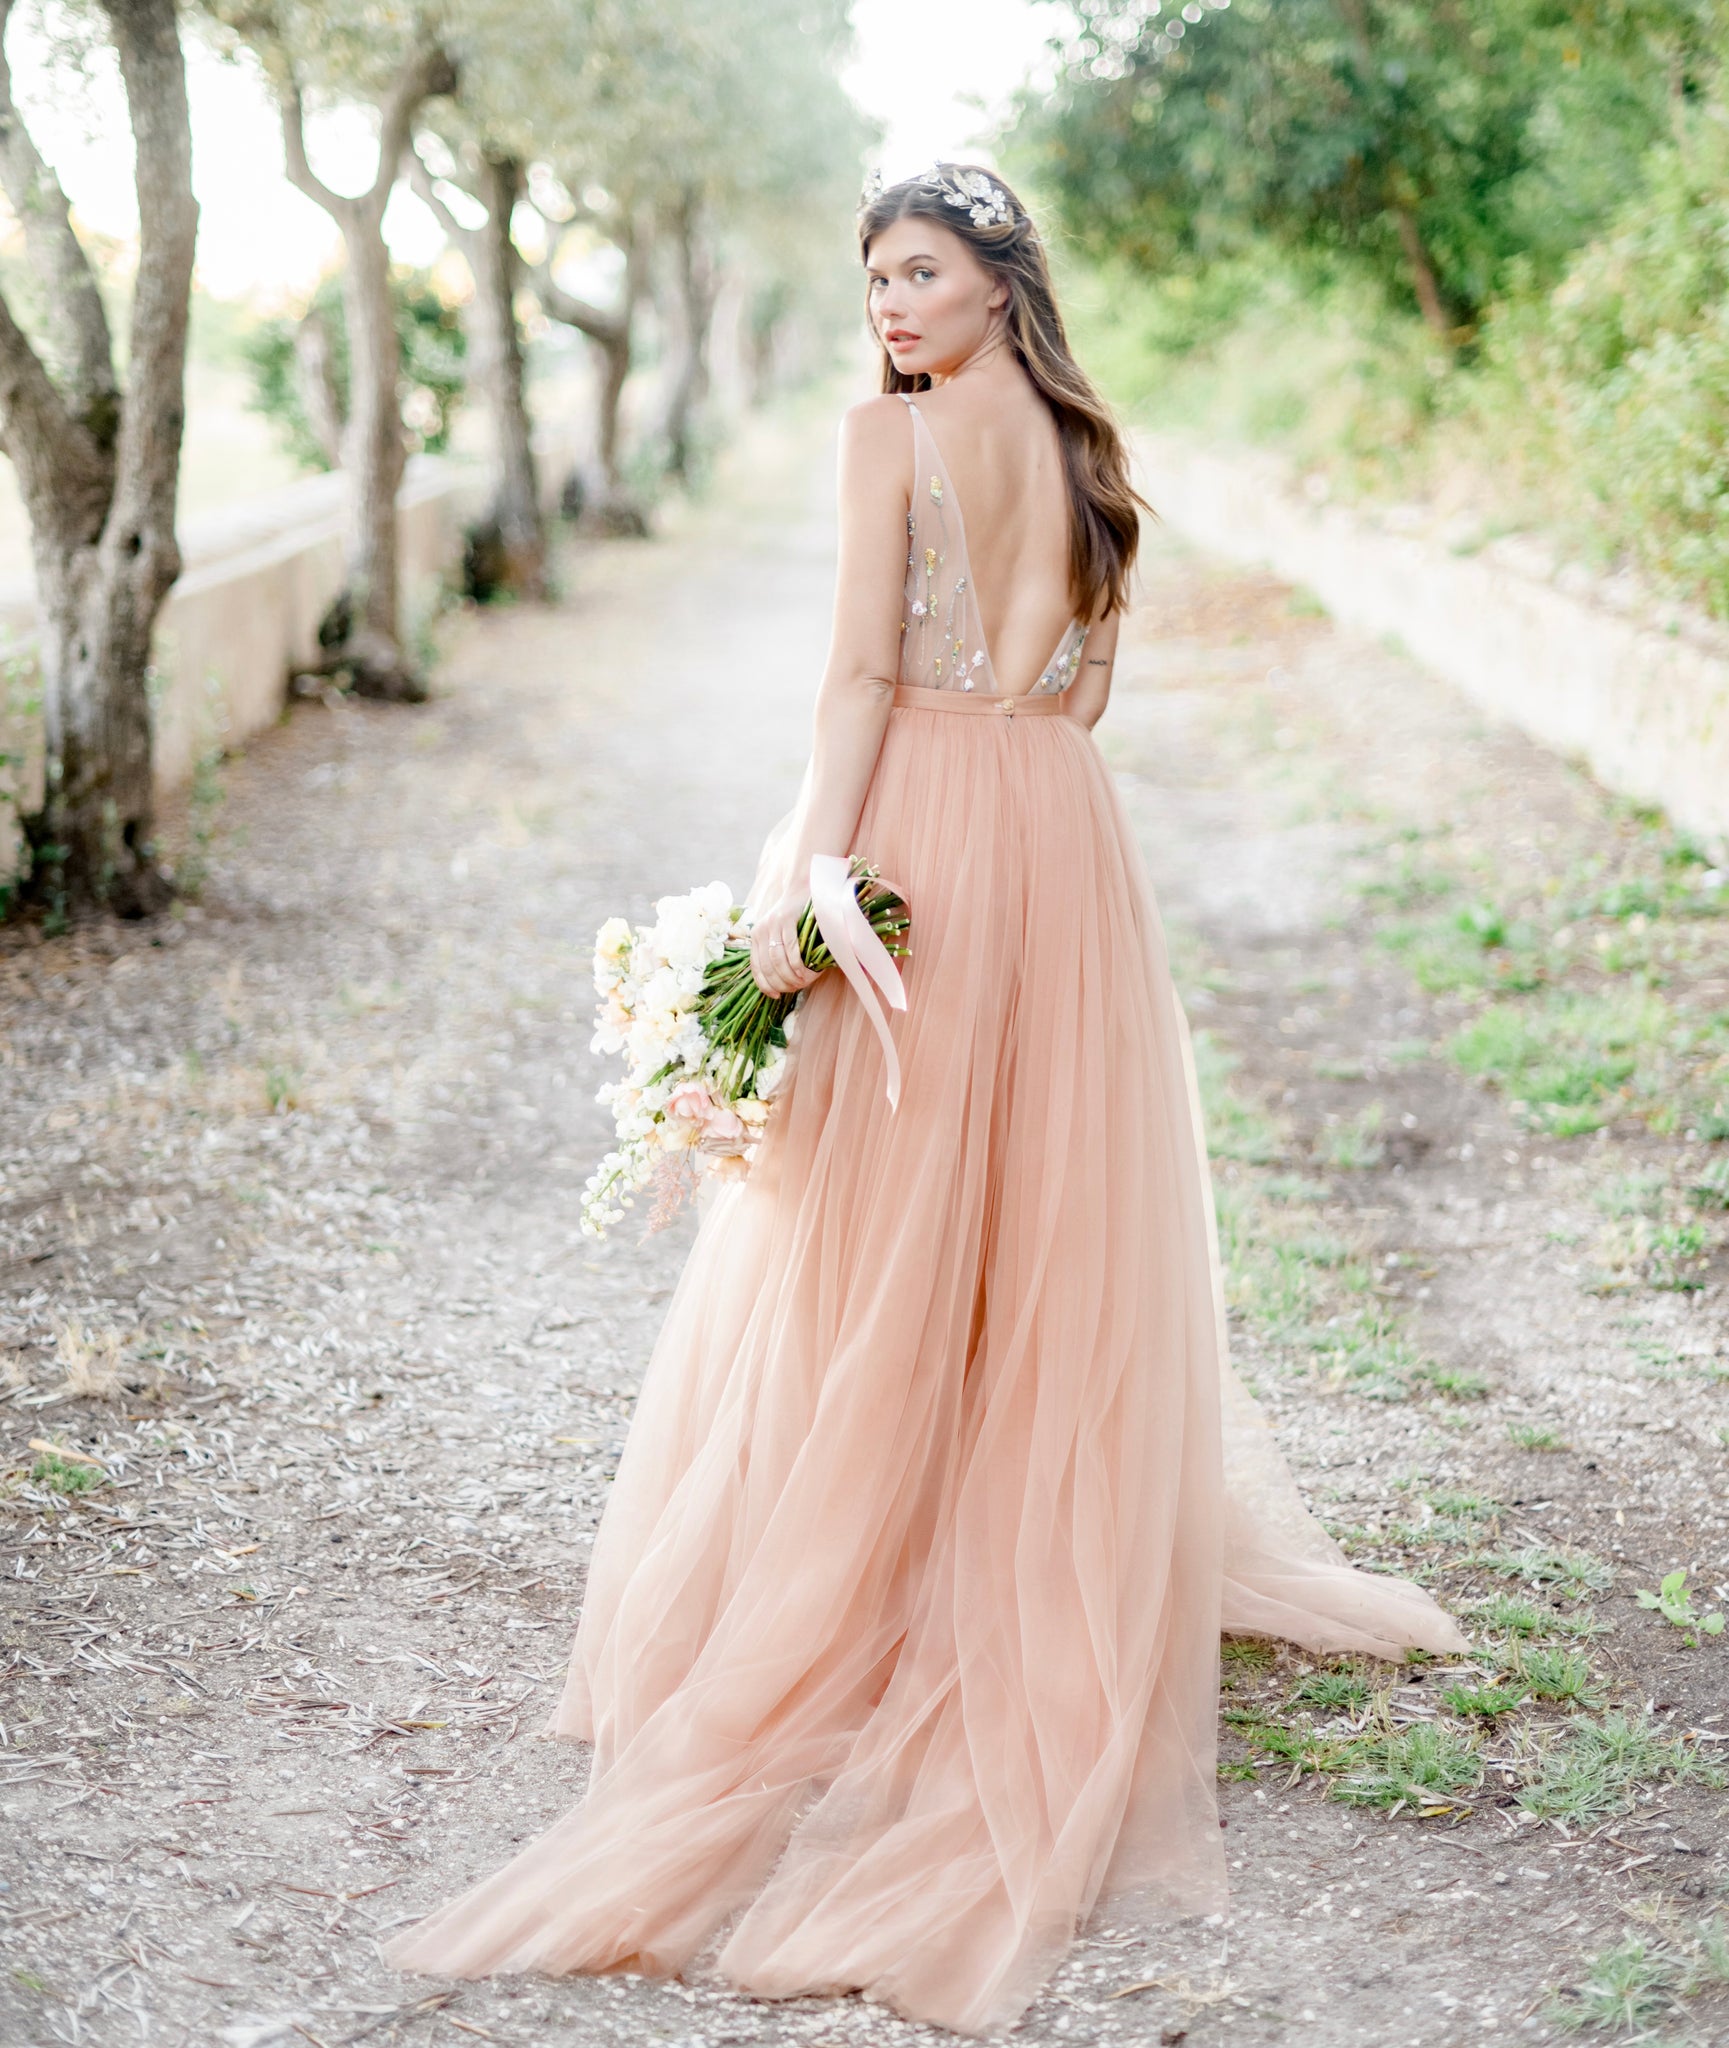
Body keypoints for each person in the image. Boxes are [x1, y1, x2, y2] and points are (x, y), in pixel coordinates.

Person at [382, 163, 1465, 2036]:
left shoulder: (886, 439)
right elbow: (1091, 687)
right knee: (1038, 1197)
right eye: (874, 277)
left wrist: (808, 879)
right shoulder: (1084, 441)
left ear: (992, 281)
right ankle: (998, 1539)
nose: (888, 304)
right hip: (1061, 831)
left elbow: (856, 671)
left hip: (932, 837)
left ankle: (870, 1577)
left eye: (918, 273)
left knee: (881, 1212)